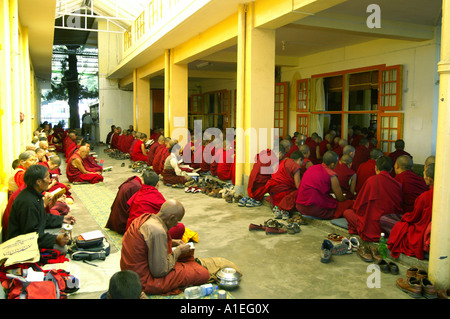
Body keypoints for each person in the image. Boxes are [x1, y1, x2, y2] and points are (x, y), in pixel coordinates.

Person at [120, 200, 209, 295]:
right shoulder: (158, 231)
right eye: (177, 221)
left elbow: (148, 243)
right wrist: (179, 250)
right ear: (171, 218)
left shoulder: (147, 218)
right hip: (143, 280)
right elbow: (159, 272)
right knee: (203, 274)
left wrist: (172, 242)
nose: (176, 225)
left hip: (129, 274)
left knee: (185, 262)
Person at [5, 165, 76, 251]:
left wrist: (62, 219)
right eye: (47, 178)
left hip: (34, 232)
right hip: (19, 242)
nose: (50, 181)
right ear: (38, 181)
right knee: (62, 248)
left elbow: (42, 217)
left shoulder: (34, 194)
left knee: (63, 227)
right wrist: (55, 239)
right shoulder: (28, 203)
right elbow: (30, 234)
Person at [343, 156, 403, 242]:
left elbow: (358, 206)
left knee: (347, 212)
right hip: (388, 226)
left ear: (375, 168)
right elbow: (398, 208)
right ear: (391, 170)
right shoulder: (397, 185)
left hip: (369, 226)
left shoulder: (370, 181)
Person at [386, 163, 435, 260]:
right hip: (433, 230)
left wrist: (405, 217)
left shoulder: (425, 197)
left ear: (429, 179)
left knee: (396, 225)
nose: (423, 178)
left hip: (423, 231)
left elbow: (414, 218)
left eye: (424, 176)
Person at [296, 151, 353, 219]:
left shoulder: (311, 168)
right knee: (348, 204)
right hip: (314, 209)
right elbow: (340, 198)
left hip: (300, 206)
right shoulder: (332, 175)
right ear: (332, 164)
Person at [125, 170, 180, 237]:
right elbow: (167, 213)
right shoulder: (156, 195)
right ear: (157, 184)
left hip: (131, 230)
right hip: (146, 233)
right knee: (180, 227)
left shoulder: (138, 193)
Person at [265, 150, 303, 216]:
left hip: (274, 191)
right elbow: (298, 186)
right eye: (302, 162)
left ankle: (277, 208)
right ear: (299, 159)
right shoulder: (295, 166)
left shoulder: (283, 161)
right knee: (299, 193)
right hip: (283, 192)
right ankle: (283, 208)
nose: (302, 165)